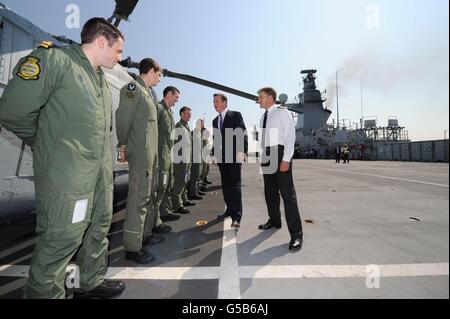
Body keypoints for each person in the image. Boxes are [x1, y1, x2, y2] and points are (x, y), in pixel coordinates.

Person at [0, 17, 126, 298]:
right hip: (68, 178)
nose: (121, 57)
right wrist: (48, 144)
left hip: (98, 177)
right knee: (60, 240)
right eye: (118, 50)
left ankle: (90, 281)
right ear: (101, 42)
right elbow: (12, 111)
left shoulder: (100, 82)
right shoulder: (56, 61)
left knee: (98, 229)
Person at [115, 58, 163, 264]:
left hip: (149, 155)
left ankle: (142, 236)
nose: (160, 79)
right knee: (137, 199)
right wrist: (122, 144)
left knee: (145, 197)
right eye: (159, 74)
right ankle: (133, 248)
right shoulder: (133, 88)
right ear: (151, 71)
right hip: (141, 154)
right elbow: (123, 117)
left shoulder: (147, 94)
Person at [257, 87, 303, 251]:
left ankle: (296, 235)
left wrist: (286, 159)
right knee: (270, 192)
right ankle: (274, 220)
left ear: (271, 97)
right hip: (267, 154)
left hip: (280, 153)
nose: (259, 99)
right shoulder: (263, 116)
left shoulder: (282, 112)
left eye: (261, 97)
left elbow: (290, 136)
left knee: (287, 196)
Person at [212, 93, 248, 228]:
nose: (214, 104)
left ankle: (236, 216)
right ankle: (229, 210)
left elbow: (242, 133)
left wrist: (242, 151)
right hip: (222, 158)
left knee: (235, 186)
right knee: (226, 185)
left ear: (224, 103)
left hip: (234, 156)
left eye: (216, 101)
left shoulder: (235, 115)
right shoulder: (215, 121)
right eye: (213, 102)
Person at [152, 86, 182, 229]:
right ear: (169, 94)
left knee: (167, 186)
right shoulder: (158, 109)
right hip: (160, 156)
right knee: (158, 189)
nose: (176, 101)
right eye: (176, 97)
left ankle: (165, 212)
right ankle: (154, 222)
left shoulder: (169, 112)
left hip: (168, 156)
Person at [171, 106, 192, 215]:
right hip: (180, 160)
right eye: (188, 113)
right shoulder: (179, 127)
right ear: (182, 114)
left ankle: (184, 199)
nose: (190, 115)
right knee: (179, 182)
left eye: (190, 113)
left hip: (186, 160)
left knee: (185, 181)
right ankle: (177, 205)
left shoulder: (186, 126)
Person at [188, 119, 206, 200]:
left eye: (202, 124)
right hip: (194, 157)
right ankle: (192, 193)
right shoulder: (194, 133)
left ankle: (196, 190)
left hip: (199, 156)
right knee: (194, 176)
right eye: (201, 124)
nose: (202, 126)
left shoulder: (199, 133)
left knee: (198, 175)